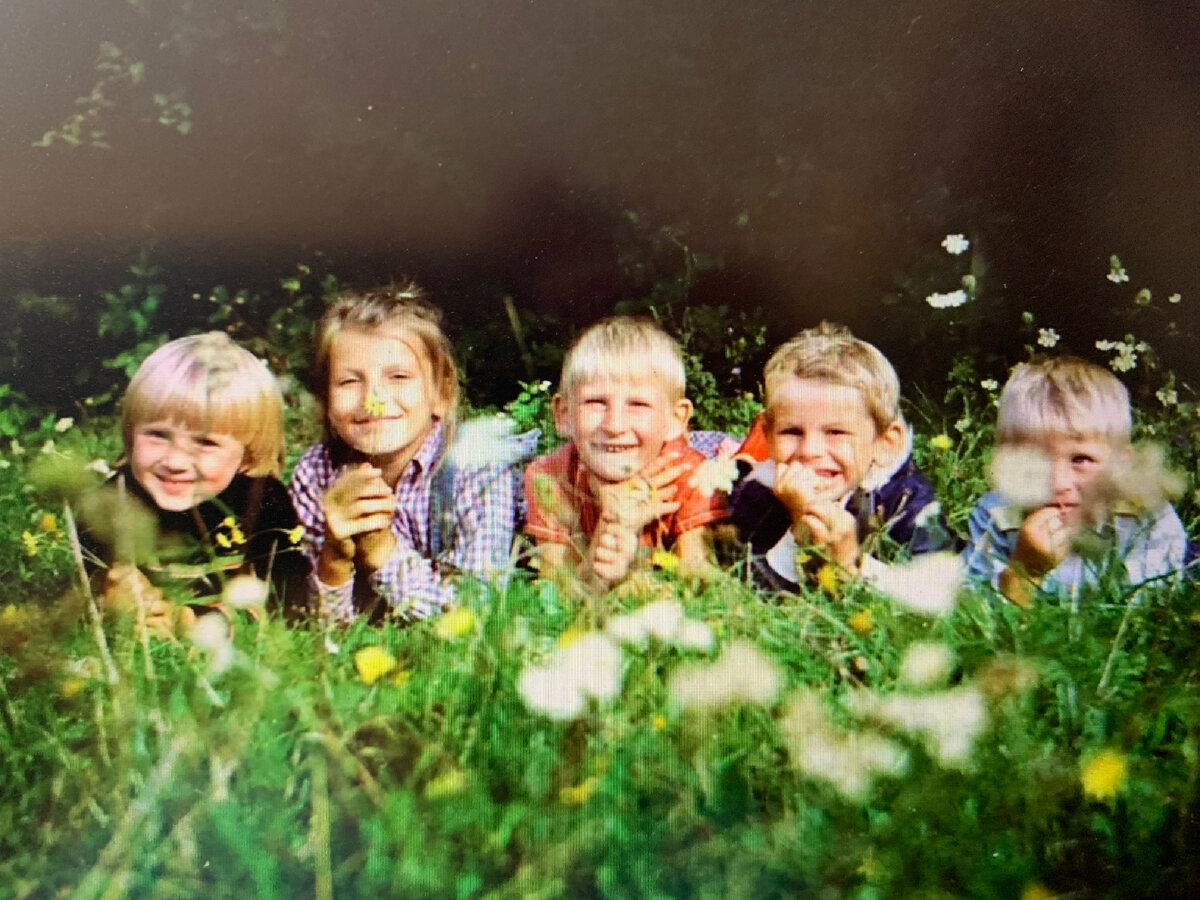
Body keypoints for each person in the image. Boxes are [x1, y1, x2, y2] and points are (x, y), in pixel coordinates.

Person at [289, 284, 532, 622]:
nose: (373, 399)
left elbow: (475, 619)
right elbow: (323, 636)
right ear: (327, 401)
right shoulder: (317, 474)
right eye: (348, 382)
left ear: (441, 395)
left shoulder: (479, 469)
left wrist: (380, 550)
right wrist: (334, 557)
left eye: (398, 377)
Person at [80, 332, 308, 635]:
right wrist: (112, 601)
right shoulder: (111, 502)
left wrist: (188, 620)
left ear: (247, 454)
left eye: (205, 443)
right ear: (131, 434)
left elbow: (290, 606)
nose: (175, 462)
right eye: (158, 435)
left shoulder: (264, 501)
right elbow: (80, 597)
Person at [730, 322, 949, 592]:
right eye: (791, 431)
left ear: (884, 443)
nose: (810, 450)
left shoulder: (907, 502)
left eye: (836, 432)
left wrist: (849, 567)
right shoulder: (759, 493)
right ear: (767, 435)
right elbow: (748, 593)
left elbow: (940, 602)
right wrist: (800, 529)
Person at [963, 355, 1187, 606]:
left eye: (1081, 459)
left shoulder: (1147, 520)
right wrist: (1025, 570)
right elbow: (974, 612)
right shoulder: (998, 514)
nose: (1058, 483)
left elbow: (1143, 620)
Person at [523, 316, 728, 590]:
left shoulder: (692, 476)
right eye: (595, 402)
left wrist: (635, 585)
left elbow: (700, 584)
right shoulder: (548, 476)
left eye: (638, 405)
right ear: (563, 415)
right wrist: (612, 526)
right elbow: (556, 593)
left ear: (675, 420)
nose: (614, 425)